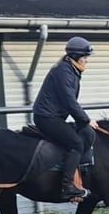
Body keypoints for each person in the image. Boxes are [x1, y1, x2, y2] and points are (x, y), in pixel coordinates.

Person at [32, 36, 99, 200]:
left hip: (55, 116)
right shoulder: (64, 71)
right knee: (75, 144)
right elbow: (69, 101)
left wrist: (84, 123)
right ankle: (67, 186)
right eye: (84, 58)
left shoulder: (71, 70)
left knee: (87, 134)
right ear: (75, 57)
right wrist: (85, 119)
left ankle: (84, 177)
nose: (86, 61)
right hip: (47, 118)